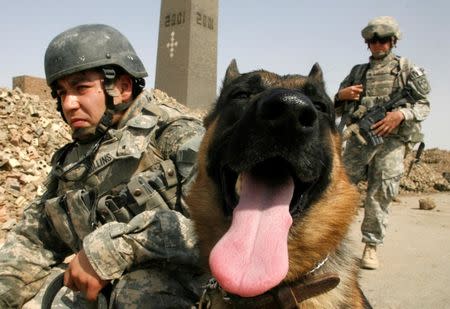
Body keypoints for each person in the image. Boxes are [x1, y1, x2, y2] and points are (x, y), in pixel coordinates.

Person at [0, 24, 206, 308]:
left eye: (81, 88)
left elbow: (217, 229)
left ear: (121, 88)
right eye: (61, 93)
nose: (69, 104)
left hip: (187, 288)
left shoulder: (175, 136)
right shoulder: (74, 161)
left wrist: (117, 247)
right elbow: (34, 238)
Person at [334, 16, 430, 270]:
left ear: (393, 41)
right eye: (372, 41)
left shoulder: (407, 69)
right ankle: (334, 238)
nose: (377, 45)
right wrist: (340, 96)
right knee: (341, 189)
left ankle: (371, 246)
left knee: (380, 193)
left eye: (383, 40)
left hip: (391, 143)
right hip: (358, 140)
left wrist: (401, 115)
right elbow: (334, 108)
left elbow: (423, 105)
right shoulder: (358, 72)